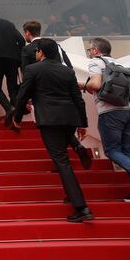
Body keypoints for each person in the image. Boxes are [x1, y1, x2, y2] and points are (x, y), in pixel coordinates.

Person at [12, 38, 93, 222]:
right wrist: (83, 123)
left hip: (49, 119)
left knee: (61, 161)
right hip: (70, 117)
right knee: (62, 156)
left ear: (41, 52)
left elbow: (22, 95)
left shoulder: (33, 69)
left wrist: (17, 118)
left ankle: (81, 207)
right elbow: (78, 98)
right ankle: (71, 193)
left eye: (36, 51)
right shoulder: (67, 71)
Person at [21, 20, 92, 168]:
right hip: (65, 87)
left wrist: (27, 99)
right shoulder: (56, 46)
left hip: (45, 96)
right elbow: (69, 65)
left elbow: (26, 75)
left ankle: (61, 162)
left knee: (52, 130)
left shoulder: (28, 50)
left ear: (27, 33)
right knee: (63, 127)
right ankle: (76, 148)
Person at [81, 37, 130, 201]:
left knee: (112, 150)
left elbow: (95, 85)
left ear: (95, 51)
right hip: (126, 110)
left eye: (90, 50)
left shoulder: (96, 62)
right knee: (128, 150)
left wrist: (83, 85)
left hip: (109, 112)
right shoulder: (118, 64)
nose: (89, 53)